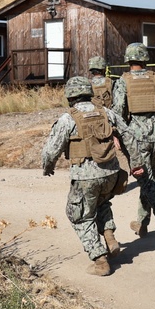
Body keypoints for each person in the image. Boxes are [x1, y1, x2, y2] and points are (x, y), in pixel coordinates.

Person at [42, 76, 134, 276]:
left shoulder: (68, 119)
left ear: (70, 96)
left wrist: (47, 167)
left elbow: (51, 151)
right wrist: (135, 163)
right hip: (111, 174)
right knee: (100, 203)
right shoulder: (106, 113)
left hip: (85, 177)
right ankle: (109, 236)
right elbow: (128, 134)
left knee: (79, 215)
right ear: (89, 93)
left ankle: (100, 260)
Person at [111, 42, 155, 248]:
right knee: (149, 180)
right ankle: (142, 223)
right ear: (145, 59)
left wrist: (116, 134)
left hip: (135, 138)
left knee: (146, 181)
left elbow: (117, 111)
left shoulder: (122, 82)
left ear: (128, 60)